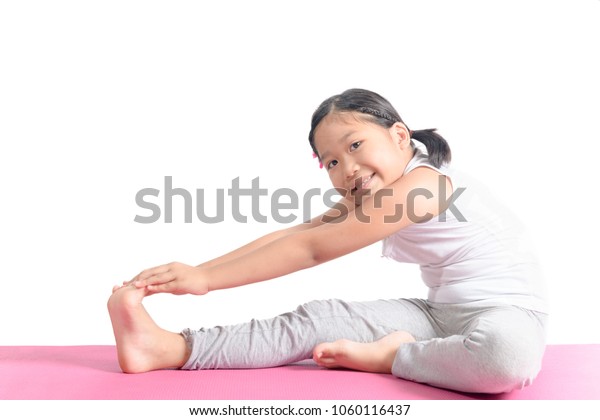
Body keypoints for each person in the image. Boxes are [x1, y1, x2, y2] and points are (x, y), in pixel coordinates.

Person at [108, 88, 548, 394]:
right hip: (437, 316)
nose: (348, 168)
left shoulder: (421, 188)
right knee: (317, 320)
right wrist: (199, 269)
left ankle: (393, 357)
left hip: (506, 315)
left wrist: (205, 280)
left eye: (356, 145)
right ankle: (168, 347)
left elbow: (312, 251)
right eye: (332, 161)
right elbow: (300, 233)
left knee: (504, 358)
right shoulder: (383, 191)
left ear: (399, 136)